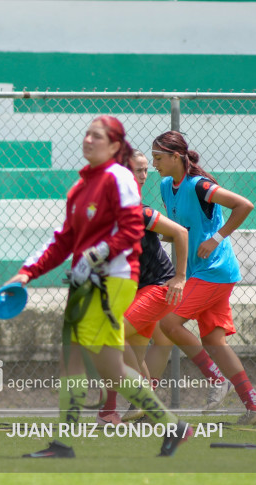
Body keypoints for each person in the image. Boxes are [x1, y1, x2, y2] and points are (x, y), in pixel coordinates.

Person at [7, 116, 191, 459]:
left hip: (111, 281)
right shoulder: (80, 187)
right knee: (83, 361)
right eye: (87, 134)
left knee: (99, 362)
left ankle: (165, 425)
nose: (88, 139)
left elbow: (131, 228)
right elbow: (64, 239)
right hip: (86, 283)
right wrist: (27, 273)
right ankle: (168, 427)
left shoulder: (118, 178)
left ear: (114, 145)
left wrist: (98, 253)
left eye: (97, 135)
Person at [151, 131, 256, 425]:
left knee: (168, 322)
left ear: (175, 157)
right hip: (199, 271)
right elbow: (181, 231)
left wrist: (216, 238)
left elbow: (245, 205)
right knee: (214, 340)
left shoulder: (201, 185)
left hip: (216, 271)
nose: (154, 164)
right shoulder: (167, 186)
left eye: (158, 158)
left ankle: (217, 379)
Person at [96, 149, 188, 425]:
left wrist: (181, 277)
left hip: (159, 287)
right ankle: (140, 407)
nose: (145, 176)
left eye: (146, 169)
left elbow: (181, 233)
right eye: (139, 170)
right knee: (133, 353)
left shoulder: (140, 211)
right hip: (138, 290)